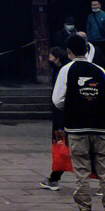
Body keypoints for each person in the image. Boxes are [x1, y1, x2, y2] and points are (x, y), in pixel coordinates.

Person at [52, 34, 105, 211]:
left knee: (82, 171)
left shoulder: (66, 70)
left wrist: (75, 105)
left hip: (77, 127)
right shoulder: (100, 71)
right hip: (102, 127)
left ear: (69, 52)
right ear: (87, 50)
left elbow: (57, 100)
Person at [39, 47, 70, 190]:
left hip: (62, 114)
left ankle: (54, 177)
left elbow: (58, 98)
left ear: (57, 58)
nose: (49, 59)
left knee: (62, 146)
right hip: (62, 113)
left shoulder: (63, 71)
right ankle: (55, 176)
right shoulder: (60, 70)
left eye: (51, 57)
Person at [86, 0, 105, 69]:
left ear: (100, 5)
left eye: (96, 5)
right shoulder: (90, 16)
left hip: (102, 41)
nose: (94, 7)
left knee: (104, 60)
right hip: (92, 41)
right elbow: (88, 28)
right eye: (92, 5)